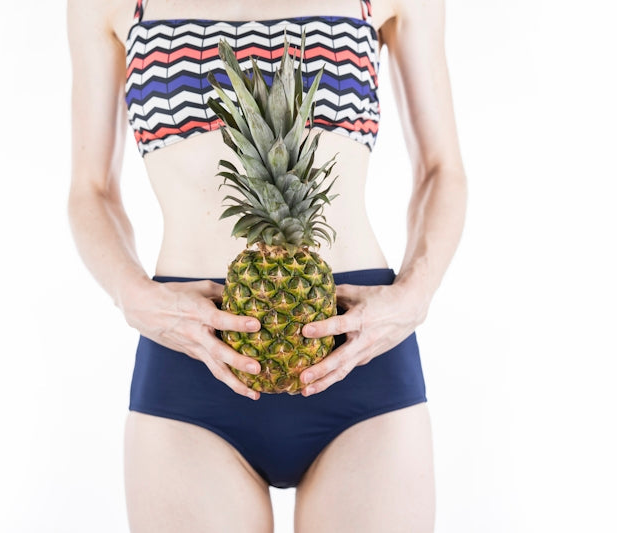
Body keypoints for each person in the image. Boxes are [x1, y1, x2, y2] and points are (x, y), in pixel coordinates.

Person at [66, 0, 467, 530]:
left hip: (363, 348)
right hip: (189, 355)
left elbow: (442, 168)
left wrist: (417, 293)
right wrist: (130, 293)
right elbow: (90, 190)